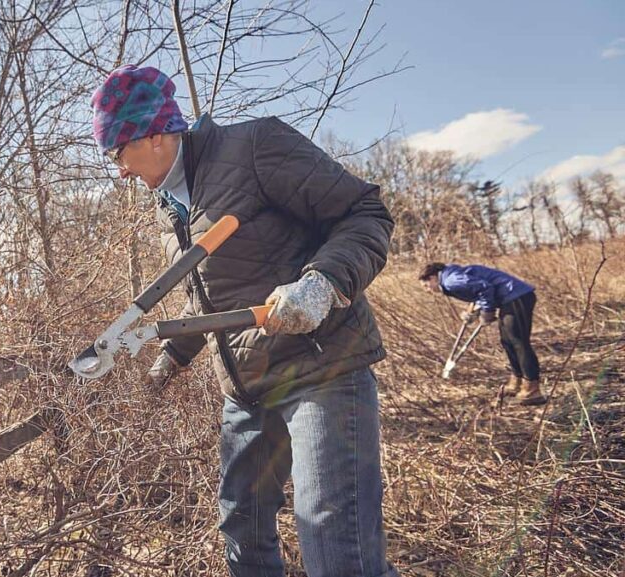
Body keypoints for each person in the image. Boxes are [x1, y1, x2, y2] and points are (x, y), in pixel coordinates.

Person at [92, 65, 398, 577]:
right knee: (243, 531)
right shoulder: (174, 209)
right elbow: (209, 301)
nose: (119, 171)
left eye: (117, 152)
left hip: (321, 373)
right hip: (248, 392)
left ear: (155, 134)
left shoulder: (254, 146)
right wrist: (166, 364)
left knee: (336, 545)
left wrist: (321, 282)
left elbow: (366, 213)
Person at [418, 262, 545, 405]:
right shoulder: (451, 277)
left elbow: (485, 287)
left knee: (518, 342)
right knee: (507, 342)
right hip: (509, 299)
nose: (428, 290)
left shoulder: (450, 281)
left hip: (516, 296)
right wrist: (472, 311)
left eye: (426, 286)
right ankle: (517, 380)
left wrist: (487, 311)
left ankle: (532, 389)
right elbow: (477, 291)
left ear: (433, 278)